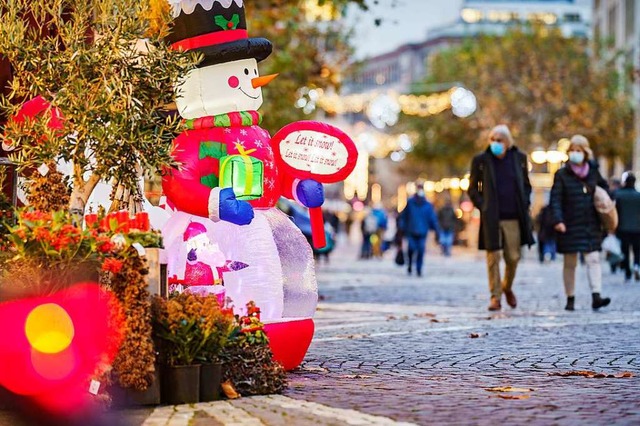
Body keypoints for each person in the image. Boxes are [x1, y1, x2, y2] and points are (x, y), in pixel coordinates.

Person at [469, 124, 535, 311]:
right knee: (493, 256)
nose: (495, 143)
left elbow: (526, 185)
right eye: (492, 139)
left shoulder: (519, 158)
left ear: (508, 142)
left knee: (513, 257)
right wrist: (484, 206)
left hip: (513, 216)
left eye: (499, 140)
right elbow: (473, 188)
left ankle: (506, 287)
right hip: (492, 217)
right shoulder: (481, 160)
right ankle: (495, 296)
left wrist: (525, 202)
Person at [549, 135, 611, 311]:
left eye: (579, 150)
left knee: (593, 258)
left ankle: (596, 295)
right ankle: (570, 298)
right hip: (569, 224)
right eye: (572, 150)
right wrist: (558, 220)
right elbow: (556, 199)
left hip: (590, 223)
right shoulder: (561, 174)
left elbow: (605, 190)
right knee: (570, 262)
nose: (575, 154)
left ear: (585, 153)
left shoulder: (593, 172)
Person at [398, 182, 439, 277]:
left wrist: (436, 230)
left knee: (420, 250)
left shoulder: (428, 205)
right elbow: (404, 216)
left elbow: (432, 218)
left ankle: (419, 269)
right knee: (411, 248)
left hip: (422, 232)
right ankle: (410, 265)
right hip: (411, 231)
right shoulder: (410, 202)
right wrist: (402, 227)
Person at [614, 171, 640, 282]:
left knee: (625, 250)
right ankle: (636, 265)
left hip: (622, 227)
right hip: (637, 228)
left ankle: (627, 272)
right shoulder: (638, 196)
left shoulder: (618, 195)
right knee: (637, 250)